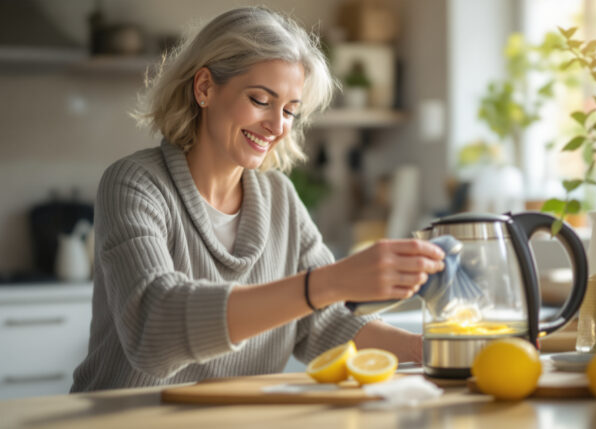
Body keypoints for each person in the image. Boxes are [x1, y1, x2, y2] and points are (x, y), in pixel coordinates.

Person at [71, 6, 445, 392]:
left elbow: (324, 323)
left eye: (289, 111)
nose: (277, 125)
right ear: (204, 88)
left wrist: (439, 352)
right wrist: (330, 282)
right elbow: (154, 329)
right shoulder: (134, 185)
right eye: (261, 100)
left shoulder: (279, 196)